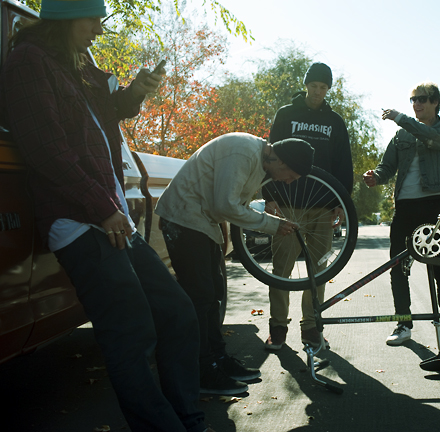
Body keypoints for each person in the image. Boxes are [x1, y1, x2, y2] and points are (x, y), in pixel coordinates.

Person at [0, 1, 212, 431]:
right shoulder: (28, 63)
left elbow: (105, 115)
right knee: (130, 331)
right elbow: (48, 151)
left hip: (110, 216)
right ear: (64, 16)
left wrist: (136, 90)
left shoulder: (76, 65)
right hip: (77, 221)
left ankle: (188, 420)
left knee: (176, 311)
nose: (99, 29)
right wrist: (101, 207)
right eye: (93, 18)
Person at [155, 133, 314, 395]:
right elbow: (226, 204)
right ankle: (201, 372)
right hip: (183, 217)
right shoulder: (243, 152)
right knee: (200, 297)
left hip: (202, 222)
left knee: (214, 294)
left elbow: (231, 204)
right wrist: (272, 225)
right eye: (291, 176)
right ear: (283, 163)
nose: (288, 182)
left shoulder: (260, 161)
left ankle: (217, 360)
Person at [363, 82, 440, 348]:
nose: (417, 104)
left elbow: (428, 136)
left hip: (435, 205)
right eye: (413, 100)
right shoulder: (401, 136)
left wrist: (401, 118)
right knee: (397, 267)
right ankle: (403, 323)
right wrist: (376, 176)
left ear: (436, 102)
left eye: (422, 99)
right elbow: (387, 166)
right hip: (404, 206)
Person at [264, 62, 353, 350]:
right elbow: (270, 155)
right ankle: (278, 328)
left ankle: (311, 328)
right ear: (306, 85)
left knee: (319, 269)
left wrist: (341, 202)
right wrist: (270, 196)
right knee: (281, 270)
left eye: (323, 87)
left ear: (328, 89)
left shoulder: (335, 122)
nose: (318, 91)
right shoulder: (287, 114)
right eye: (314, 86)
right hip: (289, 204)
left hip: (323, 206)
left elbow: (343, 163)